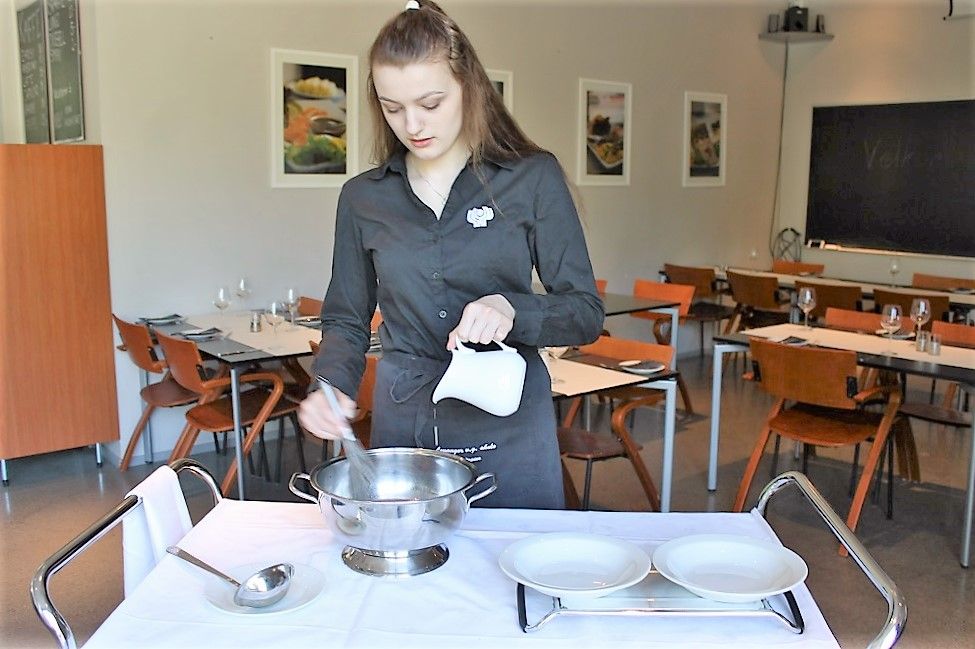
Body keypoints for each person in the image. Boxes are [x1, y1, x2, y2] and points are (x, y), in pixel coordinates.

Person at [298, 0, 603, 509]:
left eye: (430, 103)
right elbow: (347, 319)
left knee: (512, 579)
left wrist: (512, 308)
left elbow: (585, 314)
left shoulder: (531, 178)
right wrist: (329, 384)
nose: (412, 124)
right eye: (393, 108)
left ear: (468, 86)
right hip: (406, 421)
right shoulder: (363, 198)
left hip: (508, 421)